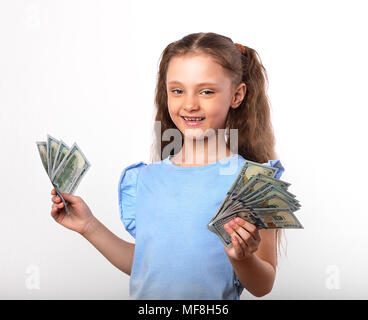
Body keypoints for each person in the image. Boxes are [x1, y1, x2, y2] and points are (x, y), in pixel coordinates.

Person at [50, 32, 285, 300]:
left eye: (206, 91)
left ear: (237, 95)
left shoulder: (256, 183)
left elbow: (263, 285)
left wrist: (242, 259)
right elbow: (148, 266)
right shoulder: (145, 179)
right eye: (177, 90)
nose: (189, 104)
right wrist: (89, 226)